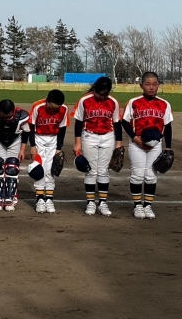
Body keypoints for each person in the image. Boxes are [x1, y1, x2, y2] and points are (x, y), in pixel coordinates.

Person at [122, 71, 174, 220]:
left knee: (151, 176)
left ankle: (148, 205)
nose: (151, 87)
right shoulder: (134, 102)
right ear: (141, 86)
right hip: (137, 144)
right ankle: (137, 205)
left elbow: (168, 126)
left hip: (156, 145)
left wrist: (168, 147)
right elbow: (124, 121)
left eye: (154, 84)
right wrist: (134, 137)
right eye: (148, 84)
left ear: (158, 85)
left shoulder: (164, 104)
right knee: (137, 175)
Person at [73, 76, 123, 217]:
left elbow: (117, 123)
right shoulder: (85, 100)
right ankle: (90, 202)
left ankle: (102, 203)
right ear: (94, 89)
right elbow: (78, 122)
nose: (102, 97)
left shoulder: (113, 102)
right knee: (91, 171)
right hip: (89, 136)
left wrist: (118, 143)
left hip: (108, 137)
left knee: (103, 171)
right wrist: (77, 143)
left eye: (105, 95)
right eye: (100, 94)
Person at [0, 99, 31, 211]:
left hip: (15, 142)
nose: (6, 120)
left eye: (9, 117)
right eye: (4, 117)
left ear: (13, 111)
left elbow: (26, 133)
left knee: (12, 169)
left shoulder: (22, 116)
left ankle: (10, 198)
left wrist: (23, 150)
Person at [28, 89, 69, 214]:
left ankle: (49, 199)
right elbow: (31, 126)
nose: (52, 111)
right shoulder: (37, 106)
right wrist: (33, 145)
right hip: (38, 138)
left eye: (56, 109)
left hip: (53, 139)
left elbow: (62, 129)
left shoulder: (64, 109)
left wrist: (59, 148)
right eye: (51, 108)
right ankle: (40, 199)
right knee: (40, 168)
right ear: (47, 101)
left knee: (51, 169)